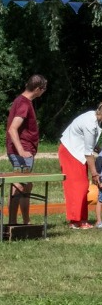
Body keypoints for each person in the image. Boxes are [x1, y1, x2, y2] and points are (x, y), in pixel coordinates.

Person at [57, 100, 102, 230]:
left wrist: (100, 151)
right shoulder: (90, 124)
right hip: (70, 152)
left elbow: (91, 143)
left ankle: (82, 219)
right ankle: (75, 220)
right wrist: (95, 173)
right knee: (78, 186)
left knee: (83, 185)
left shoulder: (93, 117)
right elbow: (88, 153)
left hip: (78, 152)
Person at [6, 74, 47, 226]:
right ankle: (12, 223)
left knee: (27, 185)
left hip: (25, 151)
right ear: (37, 89)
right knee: (19, 185)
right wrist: (22, 151)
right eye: (43, 89)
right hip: (22, 153)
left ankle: (25, 221)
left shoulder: (21, 100)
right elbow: (12, 129)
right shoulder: (24, 103)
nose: (43, 92)